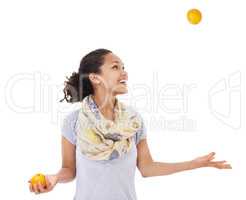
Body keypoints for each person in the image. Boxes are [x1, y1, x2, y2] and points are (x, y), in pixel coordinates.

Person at [28, 48, 232, 199]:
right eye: (115, 67)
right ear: (95, 77)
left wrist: (193, 164)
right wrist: (53, 178)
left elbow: (147, 168)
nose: (124, 73)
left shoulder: (133, 122)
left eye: (124, 68)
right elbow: (69, 171)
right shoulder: (73, 122)